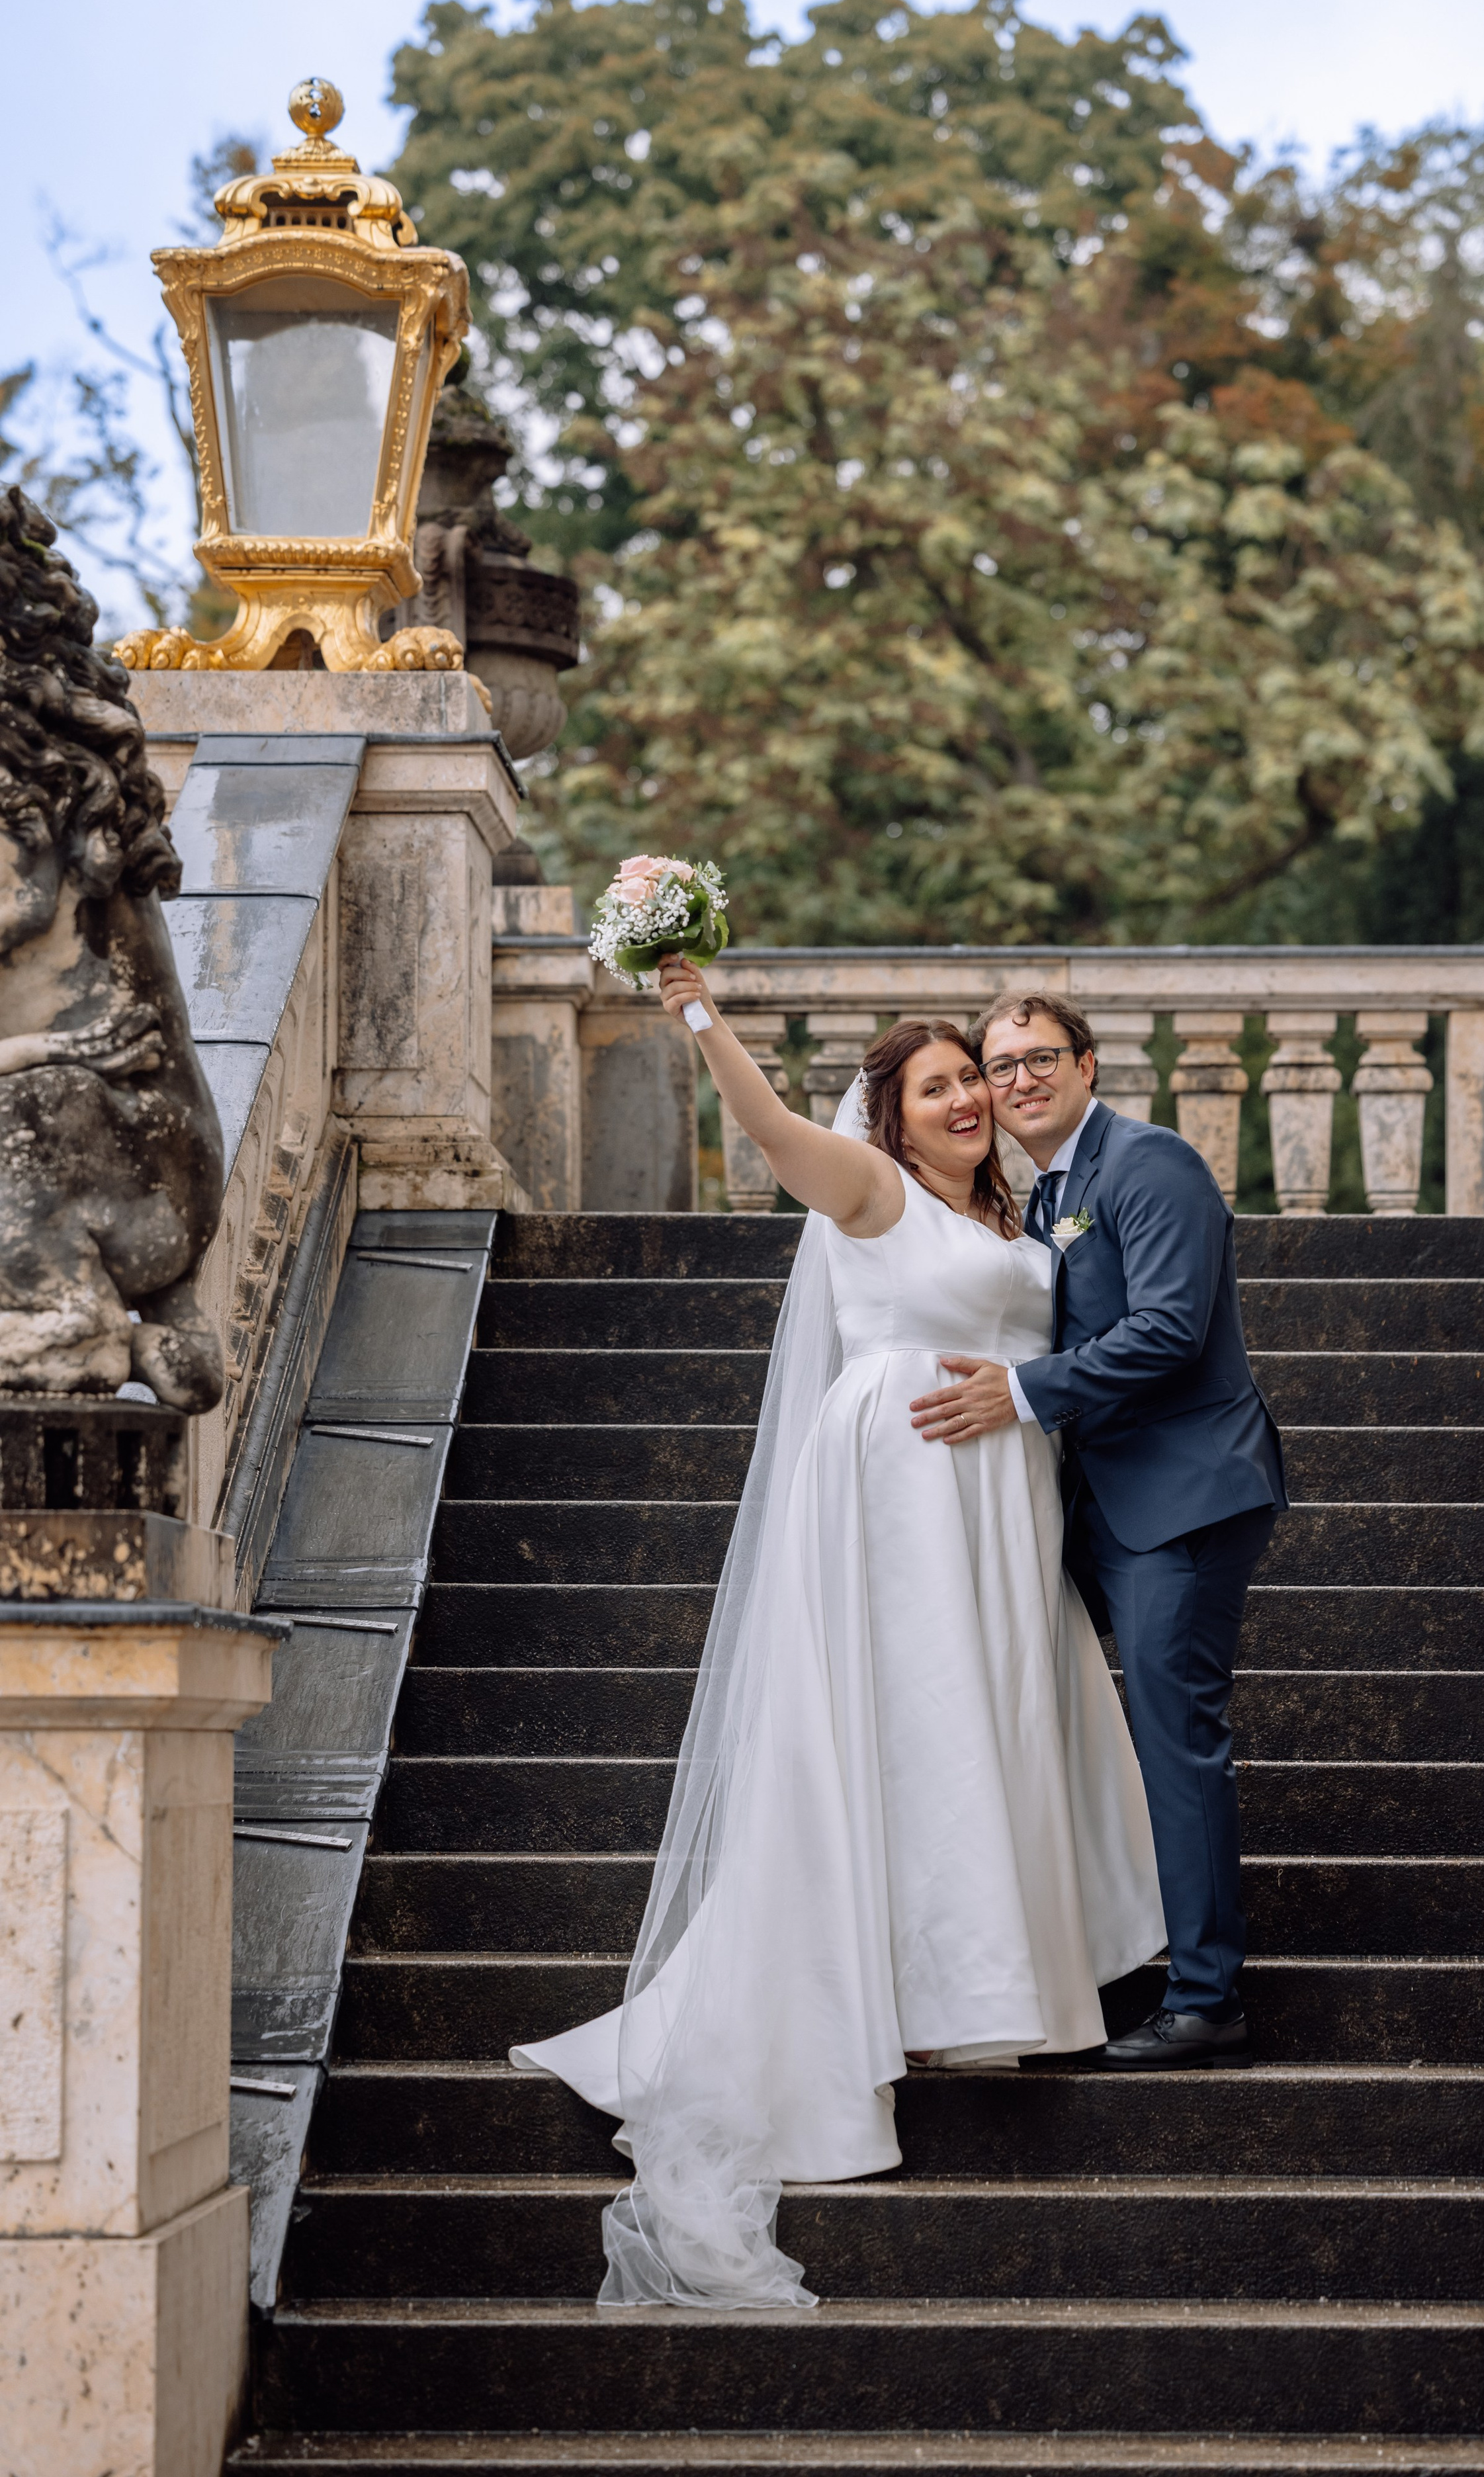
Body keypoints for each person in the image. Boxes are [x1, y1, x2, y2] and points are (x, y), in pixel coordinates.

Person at [509, 959, 1164, 2309]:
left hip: (1000, 1500)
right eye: (937, 1085)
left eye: (973, 1076)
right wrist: (698, 1009)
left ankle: (980, 1993)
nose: (969, 1096)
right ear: (894, 1115)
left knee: (990, 1726)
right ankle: (876, 2010)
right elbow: (763, 1129)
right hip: (897, 1489)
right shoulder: (868, 1193)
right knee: (903, 1729)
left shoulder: (1025, 1213)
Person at [908, 991, 1287, 2071]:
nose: (1015, 1080)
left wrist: (1023, 1392)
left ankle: (1208, 1996)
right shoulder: (1047, 1192)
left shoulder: (1150, 1162)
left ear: (1087, 1065)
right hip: (1104, 1506)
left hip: (1187, 1494)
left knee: (1176, 1737)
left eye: (1038, 1059)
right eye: (998, 1064)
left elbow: (1170, 1328)